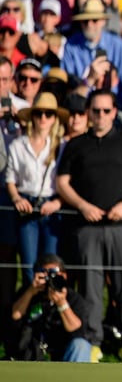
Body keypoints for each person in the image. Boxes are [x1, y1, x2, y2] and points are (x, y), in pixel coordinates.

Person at [56, 90, 122, 364]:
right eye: (95, 111)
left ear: (114, 111)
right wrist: (82, 205)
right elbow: (62, 182)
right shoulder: (76, 144)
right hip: (87, 227)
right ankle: (93, 341)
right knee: (91, 288)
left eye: (106, 111)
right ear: (88, 112)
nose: (101, 116)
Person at [6, 92, 67, 286]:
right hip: (26, 205)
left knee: (51, 265)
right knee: (29, 267)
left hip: (52, 205)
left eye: (48, 114)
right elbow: (10, 178)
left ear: (54, 119)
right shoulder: (18, 145)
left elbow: (67, 180)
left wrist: (58, 202)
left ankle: (49, 310)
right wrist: (16, 198)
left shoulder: (61, 147)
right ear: (32, 116)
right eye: (39, 113)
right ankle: (31, 311)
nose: (43, 118)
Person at [9, 254, 91, 362]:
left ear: (64, 275)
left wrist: (61, 303)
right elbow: (15, 315)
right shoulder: (29, 293)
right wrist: (30, 292)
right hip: (32, 353)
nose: (50, 280)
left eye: (54, 274)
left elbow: (77, 330)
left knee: (81, 345)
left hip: (63, 353)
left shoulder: (73, 298)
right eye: (45, 274)